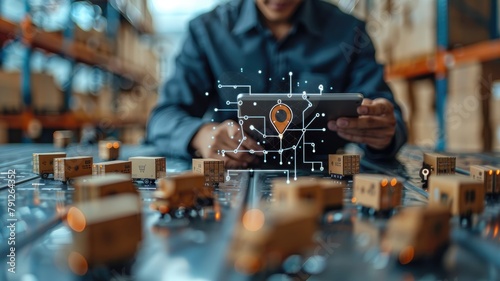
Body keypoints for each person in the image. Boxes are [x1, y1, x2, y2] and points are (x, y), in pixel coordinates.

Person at [146, 0, 407, 169]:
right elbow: (162, 118)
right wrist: (199, 135)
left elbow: (388, 116)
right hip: (230, 180)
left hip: (327, 185)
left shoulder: (351, 33)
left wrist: (382, 133)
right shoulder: (205, 32)